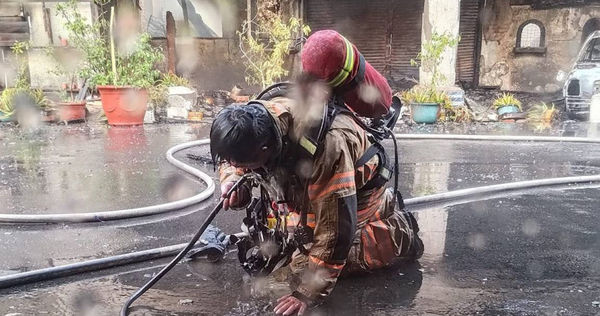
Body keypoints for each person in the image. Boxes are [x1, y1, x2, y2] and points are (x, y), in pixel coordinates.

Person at [210, 31, 423, 316]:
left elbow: (335, 228)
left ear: (264, 148)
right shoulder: (256, 118)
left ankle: (398, 234)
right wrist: (233, 180)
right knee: (274, 249)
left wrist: (307, 293)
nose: (240, 166)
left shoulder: (327, 145)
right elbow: (232, 159)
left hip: (353, 199)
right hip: (309, 194)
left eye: (246, 163)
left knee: (288, 278)